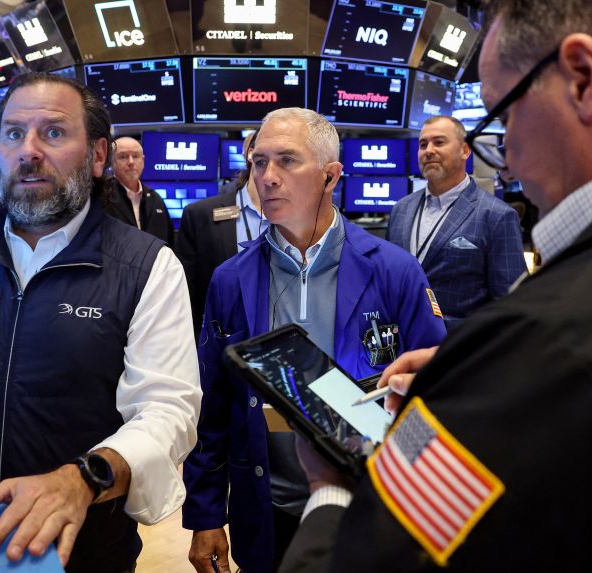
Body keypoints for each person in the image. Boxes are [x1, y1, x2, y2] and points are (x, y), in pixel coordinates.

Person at [281, 0, 592, 570]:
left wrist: (331, 482)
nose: (505, 157)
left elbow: (354, 562)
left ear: (583, 78)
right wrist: (471, 367)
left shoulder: (541, 338)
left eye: (501, 116)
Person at [0, 72, 201, 572]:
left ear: (98, 156)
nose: (28, 150)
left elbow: (168, 412)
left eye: (53, 133)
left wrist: (84, 478)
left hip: (81, 550)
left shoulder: (146, 266)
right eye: (13, 133)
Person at [182, 107, 447, 573]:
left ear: (331, 176)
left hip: (369, 502)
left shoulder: (393, 270)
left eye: (287, 161)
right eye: (259, 162)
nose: (267, 177)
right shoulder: (230, 279)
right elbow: (213, 405)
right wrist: (205, 515)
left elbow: (438, 394)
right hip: (267, 505)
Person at [387, 116, 526, 325]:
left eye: (439, 142)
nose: (429, 150)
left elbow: (509, 305)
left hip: (458, 349)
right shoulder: (401, 210)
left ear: (465, 150)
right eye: (423, 144)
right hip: (401, 347)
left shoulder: (497, 215)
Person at [175, 130, 267, 334]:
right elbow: (184, 295)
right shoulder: (200, 215)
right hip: (219, 344)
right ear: (251, 154)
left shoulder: (299, 218)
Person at [103, 136, 175, 245]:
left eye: (136, 156)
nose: (131, 162)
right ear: (112, 162)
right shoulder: (102, 196)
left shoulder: (155, 199)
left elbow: (169, 242)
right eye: (123, 157)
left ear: (143, 161)